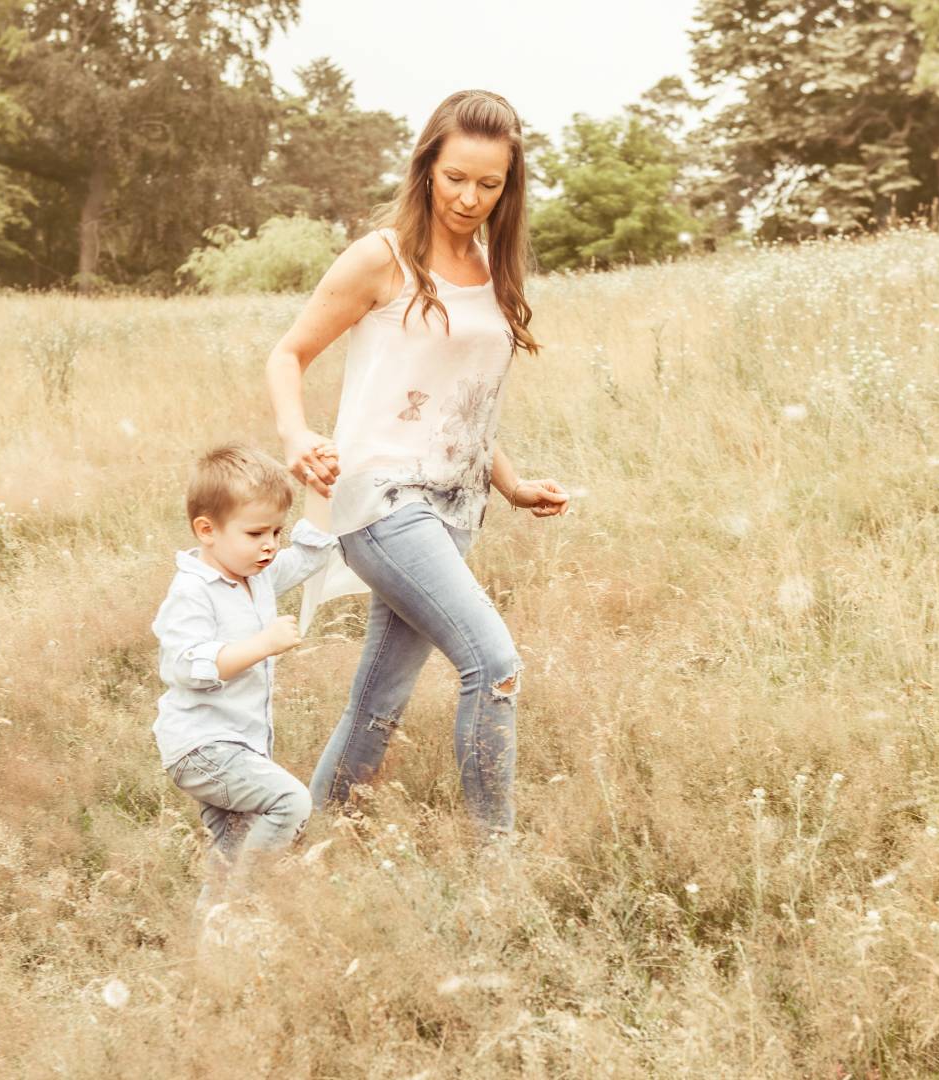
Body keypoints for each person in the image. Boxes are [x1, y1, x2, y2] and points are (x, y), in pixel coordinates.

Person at [264, 89, 569, 843]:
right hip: (381, 500)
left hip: (455, 510)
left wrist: (512, 485)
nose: (469, 198)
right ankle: (497, 860)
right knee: (493, 663)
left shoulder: (490, 266)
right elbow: (288, 353)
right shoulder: (384, 256)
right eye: (455, 177)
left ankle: (306, 845)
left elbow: (462, 404)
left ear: (508, 185)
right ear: (427, 166)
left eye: (489, 184)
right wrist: (297, 435)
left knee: (379, 701)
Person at [151, 443, 338, 905]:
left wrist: (320, 487)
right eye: (255, 533)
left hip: (238, 743)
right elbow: (187, 665)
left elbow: (310, 554)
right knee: (290, 802)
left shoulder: (258, 574)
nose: (270, 544)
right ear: (207, 530)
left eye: (276, 531)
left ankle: (216, 933)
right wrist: (262, 645)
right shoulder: (193, 591)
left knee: (231, 848)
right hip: (201, 746)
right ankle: (242, 903)